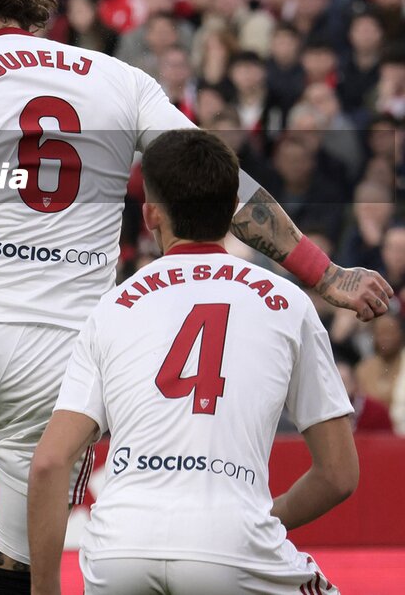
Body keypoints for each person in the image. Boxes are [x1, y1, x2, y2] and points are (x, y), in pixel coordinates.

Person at [0, 0, 390, 595]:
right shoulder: (118, 79)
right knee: (12, 561)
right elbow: (224, 185)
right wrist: (325, 275)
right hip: (62, 353)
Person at [28, 129, 357, 594]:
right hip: (232, 544)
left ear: (150, 216)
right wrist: (261, 518)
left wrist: (42, 591)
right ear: (232, 215)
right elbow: (339, 476)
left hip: (118, 548)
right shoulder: (288, 303)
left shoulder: (112, 307)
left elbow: (48, 463)